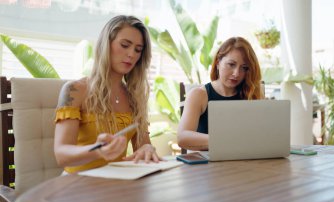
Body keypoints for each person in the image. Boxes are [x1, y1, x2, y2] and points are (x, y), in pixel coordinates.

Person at [54, 15, 161, 174]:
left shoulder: (135, 96)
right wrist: (97, 150)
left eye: (138, 50)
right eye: (125, 45)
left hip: (117, 183)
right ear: (106, 45)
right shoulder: (75, 90)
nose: (131, 54)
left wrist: (147, 148)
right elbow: (61, 155)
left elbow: (142, 146)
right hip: (77, 184)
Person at [177, 37, 263, 151]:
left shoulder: (250, 95)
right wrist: (225, 140)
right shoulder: (199, 95)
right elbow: (182, 138)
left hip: (242, 161)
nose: (237, 73)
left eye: (244, 68)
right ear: (218, 63)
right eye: (231, 64)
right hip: (207, 165)